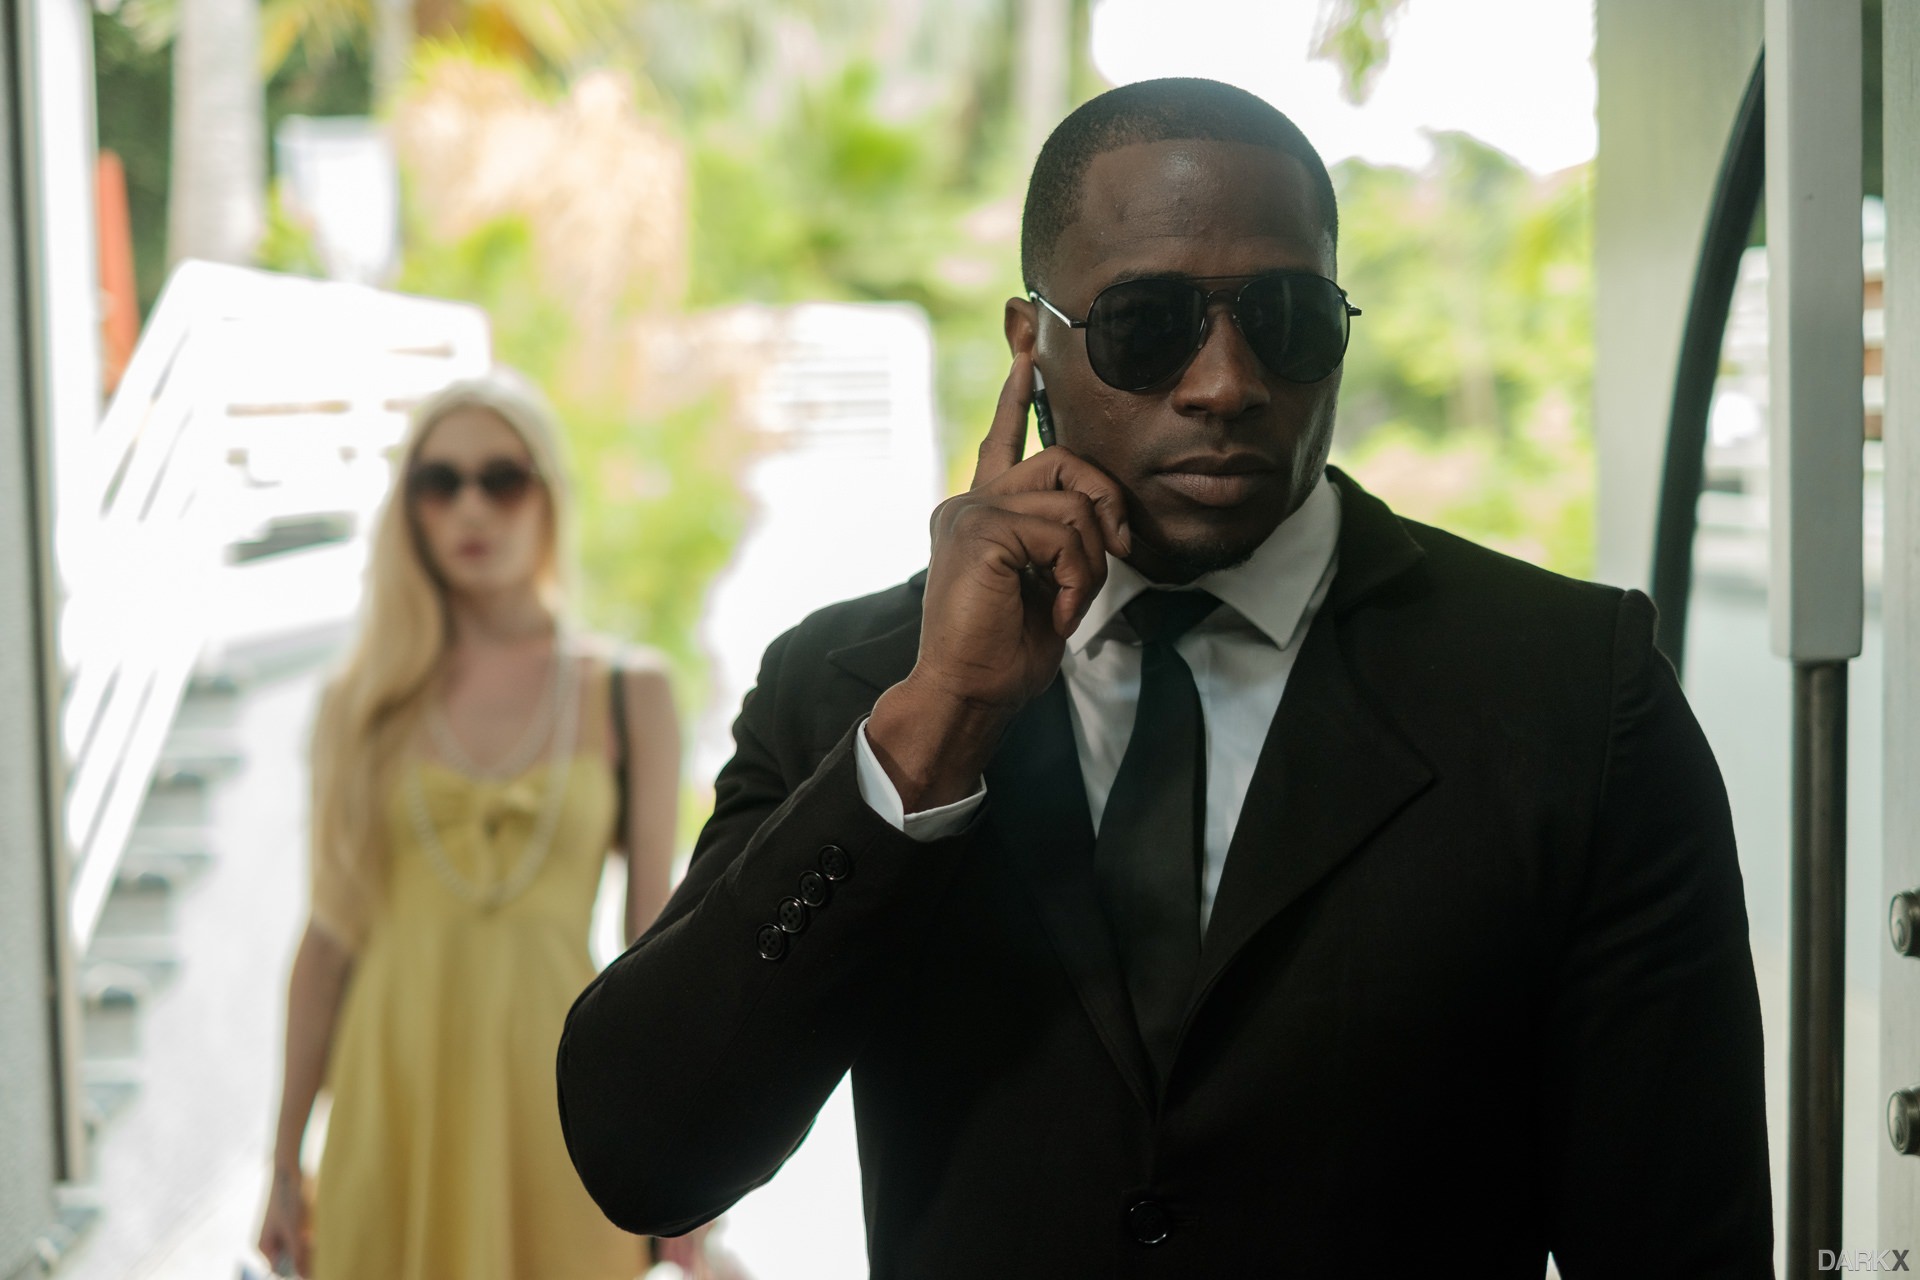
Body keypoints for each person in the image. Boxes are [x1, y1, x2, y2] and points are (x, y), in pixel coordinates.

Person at [556, 78, 1773, 1276]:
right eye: (1148, 322)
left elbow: (1681, 1243)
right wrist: (933, 735)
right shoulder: (855, 688)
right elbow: (648, 1154)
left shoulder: (1571, 693)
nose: (1226, 382)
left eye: (1287, 315)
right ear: (1031, 344)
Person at [256, 370, 681, 1280]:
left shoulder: (628, 691)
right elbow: (327, 938)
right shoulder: (361, 702)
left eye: (502, 478)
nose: (471, 508)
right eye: (439, 483)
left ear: (548, 494)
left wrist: (686, 1167)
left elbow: (654, 949)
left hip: (559, 1103)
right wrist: (283, 1163)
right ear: (410, 508)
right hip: (393, 1092)